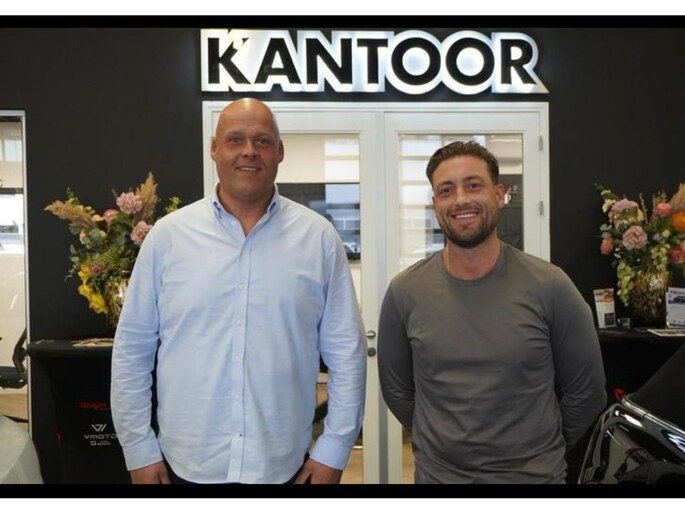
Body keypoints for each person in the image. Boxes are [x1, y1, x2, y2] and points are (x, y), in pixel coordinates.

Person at [111, 98, 367, 484]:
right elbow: (132, 351)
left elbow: (347, 355)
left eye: (262, 141)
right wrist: (138, 449)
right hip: (184, 466)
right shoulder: (168, 238)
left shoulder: (318, 239)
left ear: (280, 151)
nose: (249, 151)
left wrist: (334, 449)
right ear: (214, 148)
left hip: (285, 468)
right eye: (235, 140)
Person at [377, 140, 606, 484]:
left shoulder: (550, 285)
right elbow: (397, 392)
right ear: (435, 203)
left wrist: (541, 451)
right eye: (446, 190)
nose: (460, 200)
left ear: (498, 194)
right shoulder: (404, 292)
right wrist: (441, 444)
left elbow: (588, 393)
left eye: (473, 185)